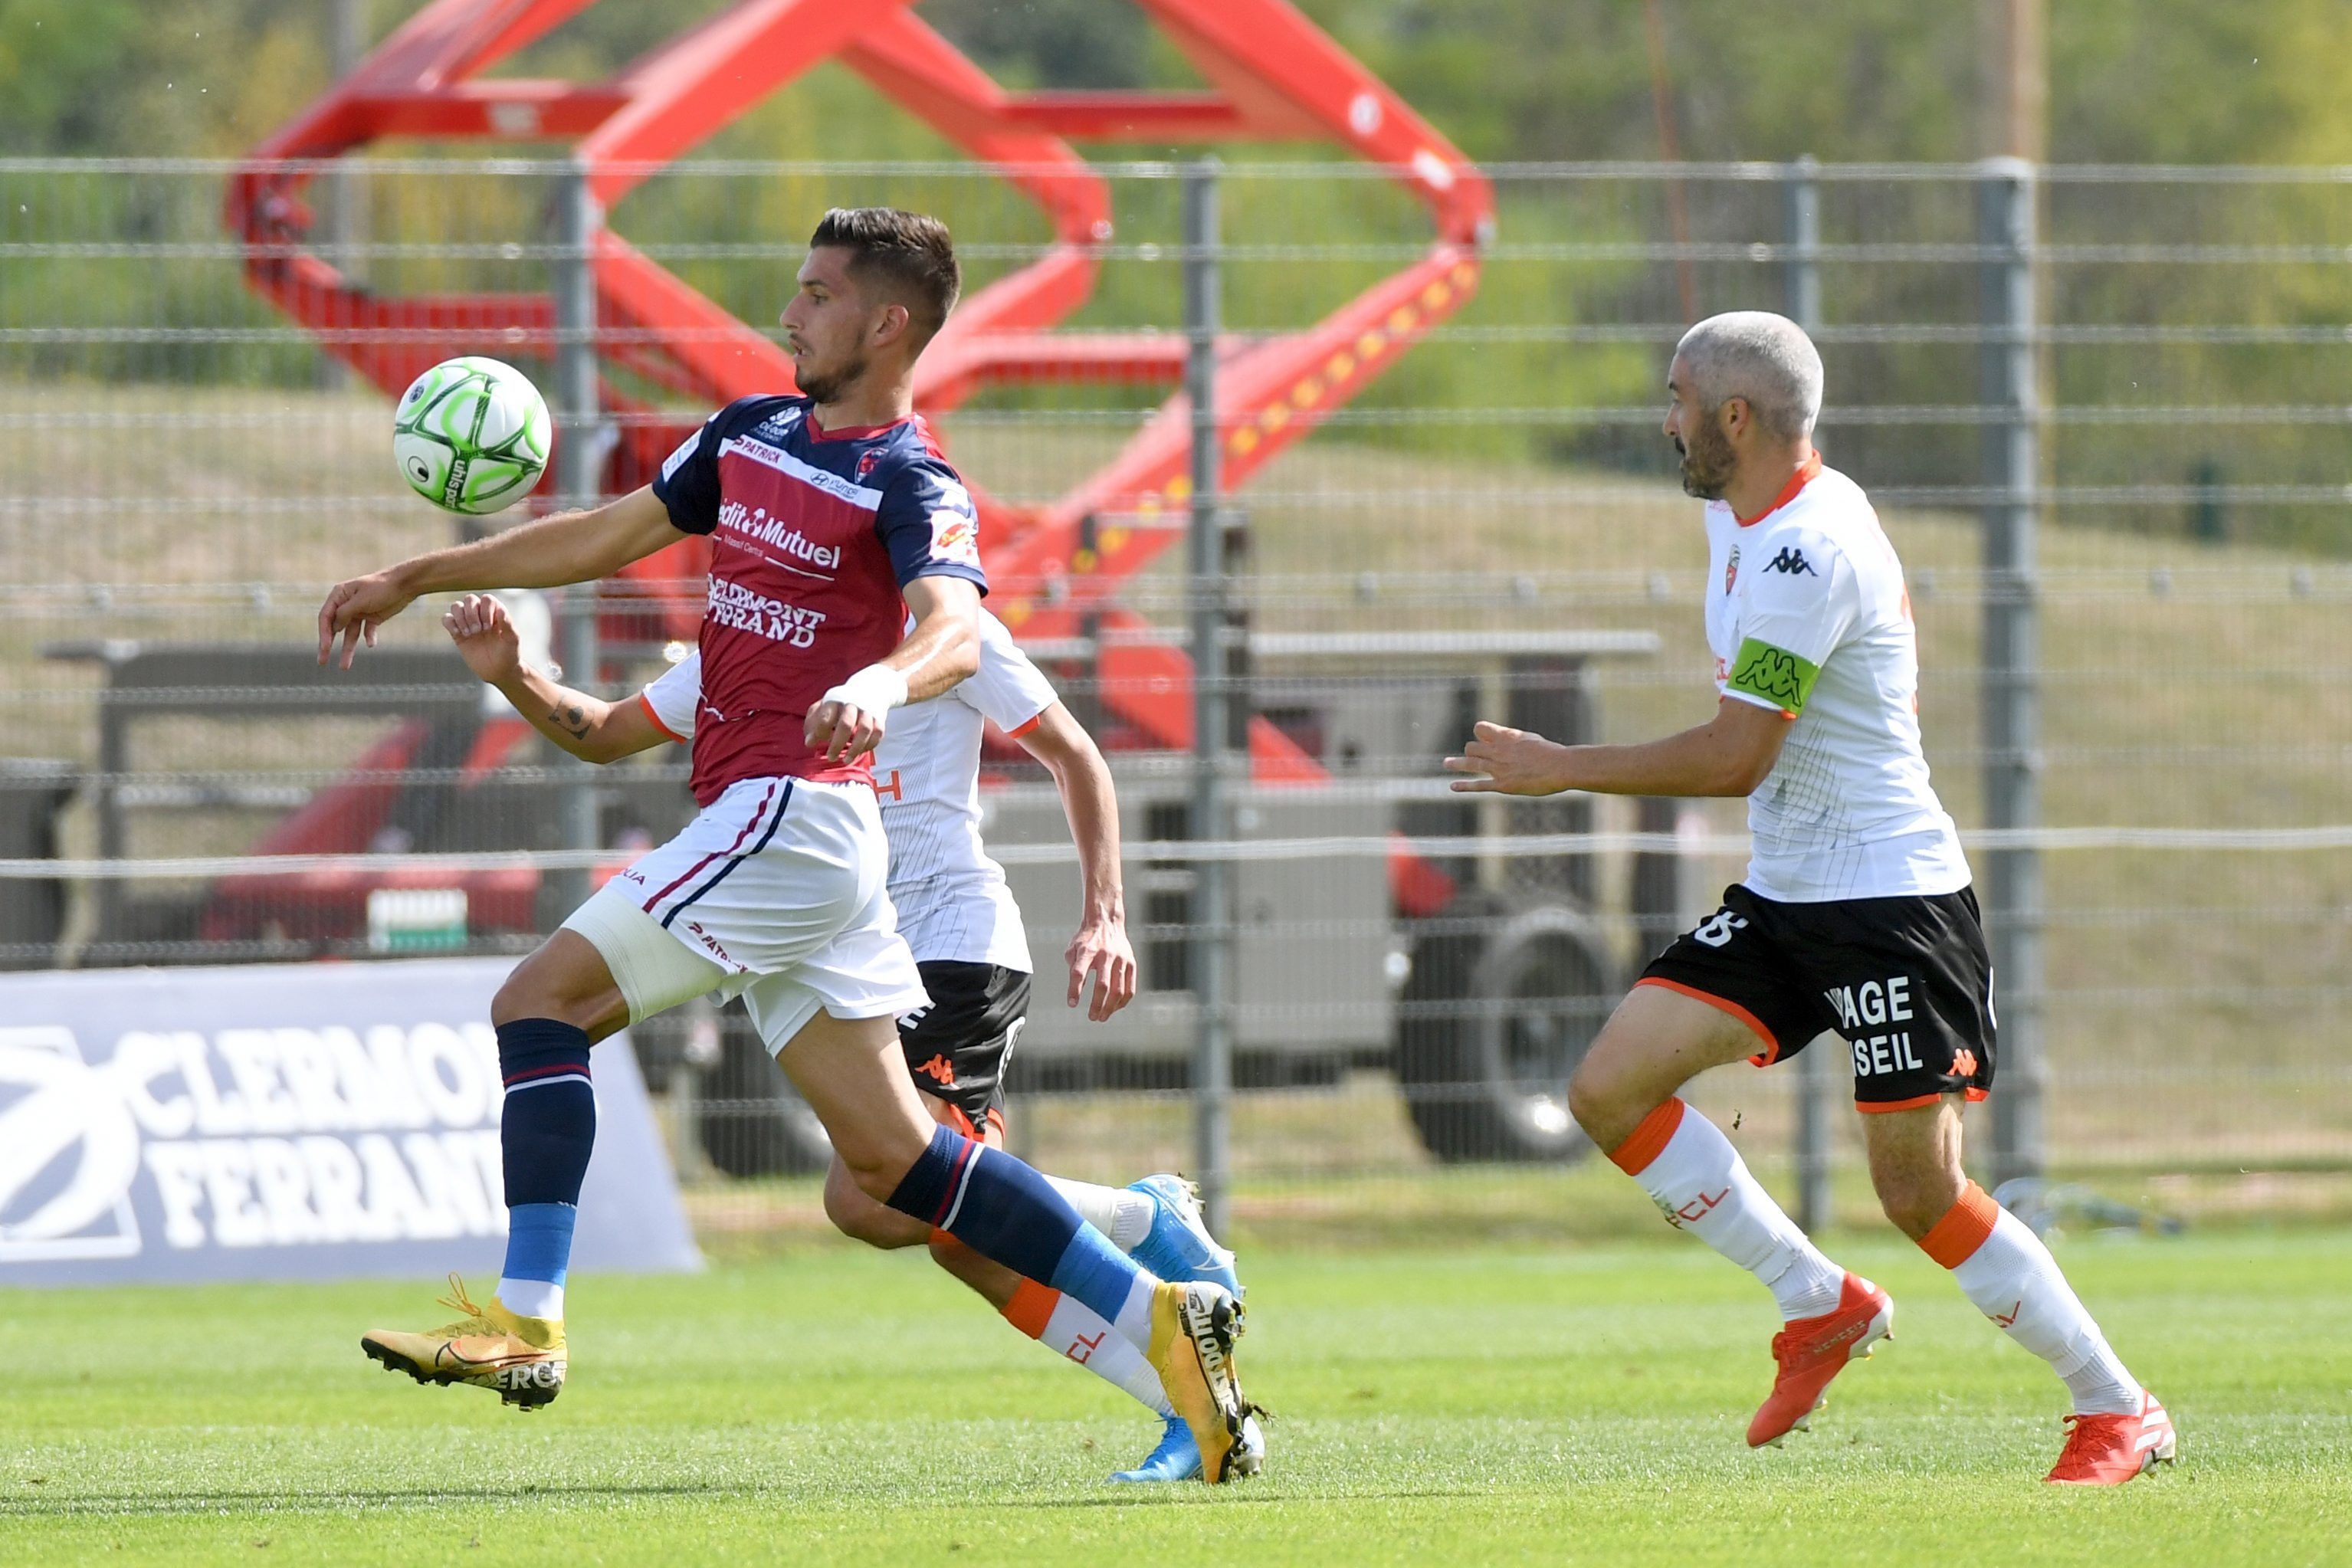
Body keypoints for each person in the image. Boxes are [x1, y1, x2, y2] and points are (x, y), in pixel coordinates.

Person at [319, 207, 1258, 1483]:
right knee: (896, 1166)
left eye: (815, 296)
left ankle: (526, 1321)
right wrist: (419, 575)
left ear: (884, 324)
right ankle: (1165, 1336)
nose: (788, 314)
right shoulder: (748, 433)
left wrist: (880, 685)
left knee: (537, 1001)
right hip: (787, 838)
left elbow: (957, 631)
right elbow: (599, 538)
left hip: (790, 816)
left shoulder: (912, 480)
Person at [1443, 310, 2172, 1487]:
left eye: (1677, 396)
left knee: (1917, 1189)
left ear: (1735, 417)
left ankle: (2117, 1406)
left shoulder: (1804, 551)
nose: (1662, 416)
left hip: (1889, 902)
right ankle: (1814, 1301)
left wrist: (1560, 765)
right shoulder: (1749, 517)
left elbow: (1739, 756)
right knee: (1609, 1086)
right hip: (1790, 895)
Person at [437, 589, 1258, 1482]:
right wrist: (515, 674)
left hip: (951, 939)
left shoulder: (941, 634)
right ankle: (1186, 1368)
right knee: (931, 1223)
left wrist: (1107, 916)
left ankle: (1166, 1286)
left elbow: (1074, 755)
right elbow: (601, 729)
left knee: (892, 1197)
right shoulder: (752, 640)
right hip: (843, 944)